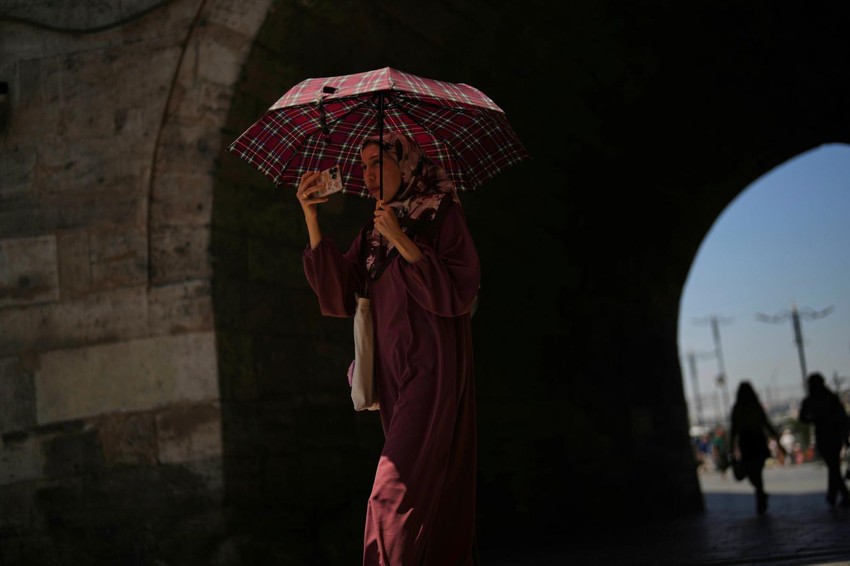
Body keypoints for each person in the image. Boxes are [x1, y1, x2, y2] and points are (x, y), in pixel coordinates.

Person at [297, 131, 481, 565]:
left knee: (391, 491)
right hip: (394, 373)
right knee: (425, 488)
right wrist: (311, 218)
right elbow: (341, 295)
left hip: (432, 368)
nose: (368, 175)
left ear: (407, 163)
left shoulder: (441, 213)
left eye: (378, 162)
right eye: (363, 166)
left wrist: (401, 237)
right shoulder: (373, 228)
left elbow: (459, 292)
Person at [729, 381, 785, 515]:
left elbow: (734, 429)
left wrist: (731, 446)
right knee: (756, 471)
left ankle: (760, 498)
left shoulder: (737, 408)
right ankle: (761, 495)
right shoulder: (755, 406)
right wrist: (777, 440)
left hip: (747, 441)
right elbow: (766, 423)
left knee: (752, 472)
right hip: (757, 440)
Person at [799, 372, 850, 507]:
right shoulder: (830, 398)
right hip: (830, 435)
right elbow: (842, 418)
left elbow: (803, 417)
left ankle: (835, 494)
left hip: (826, 435)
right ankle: (839, 494)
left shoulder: (815, 400)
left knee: (832, 466)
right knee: (833, 466)